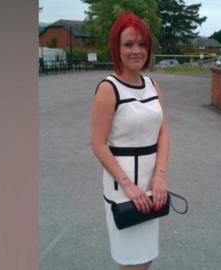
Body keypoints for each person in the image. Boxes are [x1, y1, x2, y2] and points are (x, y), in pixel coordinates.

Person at [90, 11, 169, 270]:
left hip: (150, 186)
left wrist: (159, 177)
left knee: (145, 258)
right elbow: (98, 144)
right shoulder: (108, 88)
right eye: (128, 44)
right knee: (130, 260)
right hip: (123, 189)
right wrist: (128, 185)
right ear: (117, 48)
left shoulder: (152, 85)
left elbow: (163, 133)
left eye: (142, 44)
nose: (136, 50)